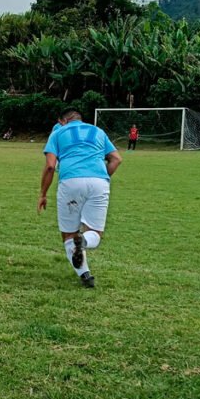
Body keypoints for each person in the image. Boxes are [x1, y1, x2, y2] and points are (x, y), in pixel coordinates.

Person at [38, 108, 122, 288]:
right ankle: (84, 242)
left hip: (71, 181)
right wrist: (101, 176)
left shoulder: (58, 132)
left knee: (69, 234)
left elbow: (51, 166)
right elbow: (116, 159)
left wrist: (43, 194)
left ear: (62, 121)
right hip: (99, 181)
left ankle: (85, 273)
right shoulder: (98, 131)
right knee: (95, 233)